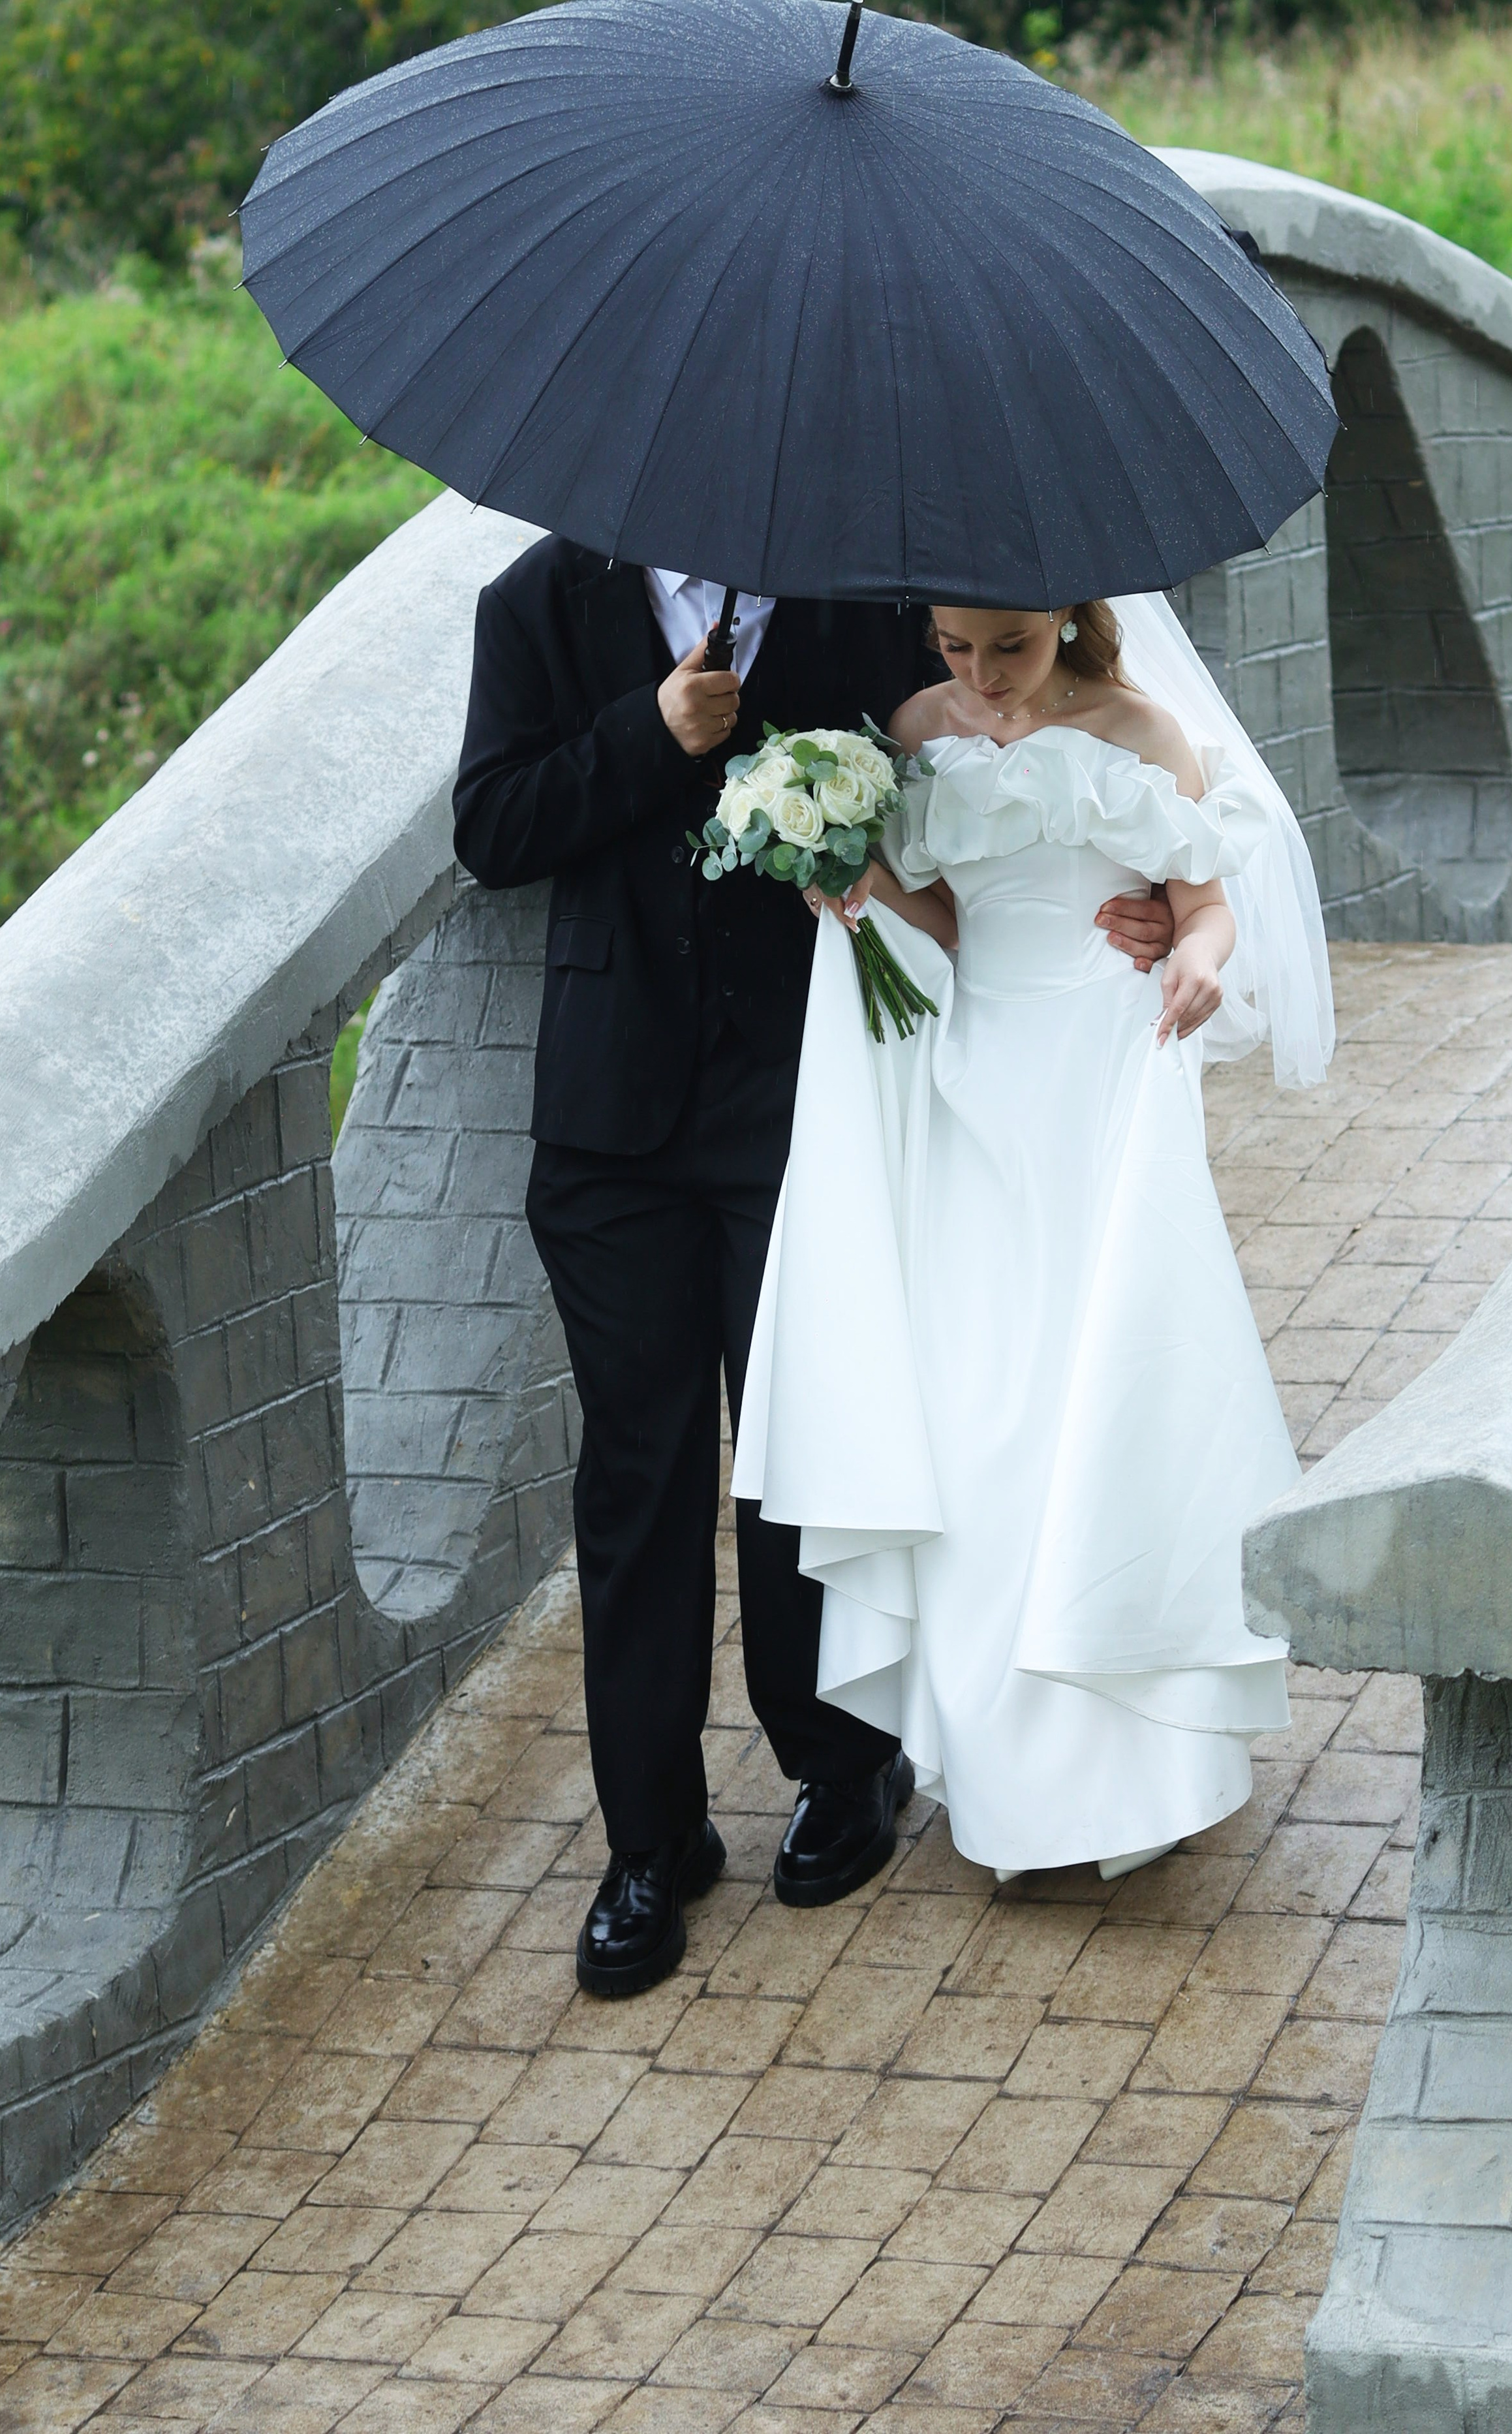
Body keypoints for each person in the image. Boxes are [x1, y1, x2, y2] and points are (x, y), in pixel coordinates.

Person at [452, 542, 1179, 1991]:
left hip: (808, 1099)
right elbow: (492, 828)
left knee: (804, 1433)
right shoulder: (533, 603)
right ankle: (648, 1840)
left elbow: (983, 775)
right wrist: (650, 731)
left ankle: (841, 1767)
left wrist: (1146, 894)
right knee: (638, 1469)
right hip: (608, 1118)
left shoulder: (869, 601)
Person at [733, 591, 1335, 1881]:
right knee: (982, 1422)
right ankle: (1012, 1789)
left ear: (1064, 615)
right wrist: (857, 882)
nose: (983, 674)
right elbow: (952, 924)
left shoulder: (1140, 732)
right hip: (974, 1085)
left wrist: (1198, 955)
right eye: (956, 648)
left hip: (1104, 1076)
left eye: (1007, 647)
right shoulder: (912, 731)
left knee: (1104, 1399)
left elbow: (1206, 903)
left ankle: (1138, 1767)